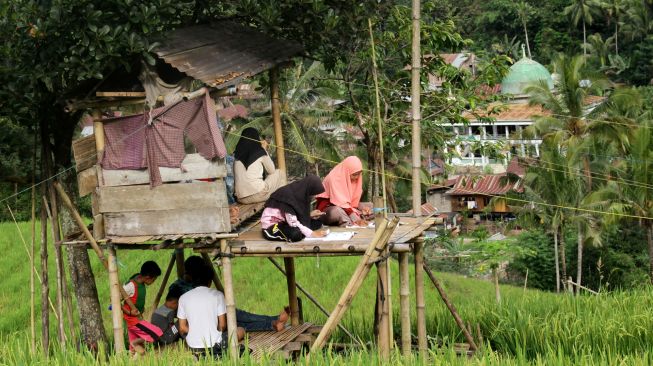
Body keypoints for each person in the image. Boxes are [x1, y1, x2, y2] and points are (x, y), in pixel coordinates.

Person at [172, 255, 291, 332]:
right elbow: (177, 310)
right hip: (201, 321)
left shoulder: (195, 283)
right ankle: (274, 321)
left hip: (213, 316)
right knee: (235, 321)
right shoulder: (179, 288)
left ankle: (273, 323)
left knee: (236, 318)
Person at [178, 261, 245, 359]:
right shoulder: (218, 295)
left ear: (193, 279)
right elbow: (222, 326)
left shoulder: (183, 298)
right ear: (210, 281)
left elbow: (182, 328)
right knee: (241, 330)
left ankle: (199, 356)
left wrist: (196, 332)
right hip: (214, 345)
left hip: (193, 346)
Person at [261, 175, 329, 242]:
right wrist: (312, 234)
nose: (313, 196)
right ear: (309, 190)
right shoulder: (289, 197)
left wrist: (309, 215)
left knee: (317, 223)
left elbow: (296, 214)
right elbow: (293, 222)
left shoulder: (298, 191)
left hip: (286, 222)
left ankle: (303, 232)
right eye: (313, 194)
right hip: (272, 226)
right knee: (295, 234)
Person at [315, 156, 372, 226]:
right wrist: (357, 219)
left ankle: (356, 217)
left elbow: (353, 203)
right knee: (337, 212)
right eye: (354, 175)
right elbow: (341, 203)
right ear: (347, 171)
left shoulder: (355, 179)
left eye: (359, 174)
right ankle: (351, 223)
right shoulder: (334, 178)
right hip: (329, 208)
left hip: (348, 207)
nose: (357, 177)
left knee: (372, 206)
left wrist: (364, 209)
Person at [122, 261, 162, 356]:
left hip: (136, 319)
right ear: (148, 277)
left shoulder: (139, 278)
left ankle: (132, 357)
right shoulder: (130, 286)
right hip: (133, 321)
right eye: (154, 279)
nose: (153, 282)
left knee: (134, 351)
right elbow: (114, 301)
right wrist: (129, 312)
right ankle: (135, 343)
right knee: (156, 333)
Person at [233, 128, 282, 204]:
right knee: (279, 173)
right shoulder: (259, 151)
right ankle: (281, 201)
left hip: (241, 198)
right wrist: (264, 150)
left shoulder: (237, 156)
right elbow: (271, 170)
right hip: (258, 195)